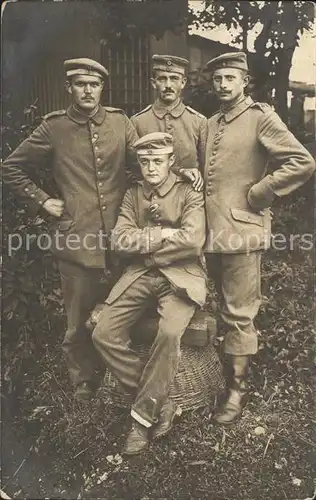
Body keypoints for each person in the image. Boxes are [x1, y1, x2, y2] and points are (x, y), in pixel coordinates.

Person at [2, 58, 139, 402]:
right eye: (81, 84)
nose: (88, 91)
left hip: (121, 238)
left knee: (121, 310)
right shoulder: (53, 128)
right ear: (69, 88)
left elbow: (146, 164)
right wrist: (44, 201)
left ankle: (120, 374)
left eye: (94, 85)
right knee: (78, 318)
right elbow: (11, 168)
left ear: (102, 88)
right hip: (76, 238)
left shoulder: (121, 123)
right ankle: (84, 381)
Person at [202, 52, 315, 425]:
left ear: (244, 81)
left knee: (239, 312)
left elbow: (302, 161)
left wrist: (260, 194)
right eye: (217, 78)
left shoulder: (260, 117)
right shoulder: (210, 123)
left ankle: (236, 390)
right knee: (213, 306)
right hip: (207, 233)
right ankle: (210, 377)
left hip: (242, 232)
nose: (222, 84)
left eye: (229, 78)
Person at [92, 132, 207, 455]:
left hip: (181, 277)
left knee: (169, 332)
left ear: (172, 162)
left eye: (158, 161)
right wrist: (163, 233)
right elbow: (119, 240)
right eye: (144, 162)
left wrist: (148, 246)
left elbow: (193, 241)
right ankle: (162, 402)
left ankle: (141, 420)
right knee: (103, 332)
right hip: (140, 275)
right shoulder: (133, 195)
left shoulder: (189, 193)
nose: (151, 168)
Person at [131, 54, 206, 191]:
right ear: (154, 83)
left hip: (189, 200)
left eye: (174, 79)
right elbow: (133, 168)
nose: (168, 85)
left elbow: (206, 168)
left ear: (183, 83)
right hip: (150, 200)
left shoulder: (198, 122)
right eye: (162, 79)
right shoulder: (137, 122)